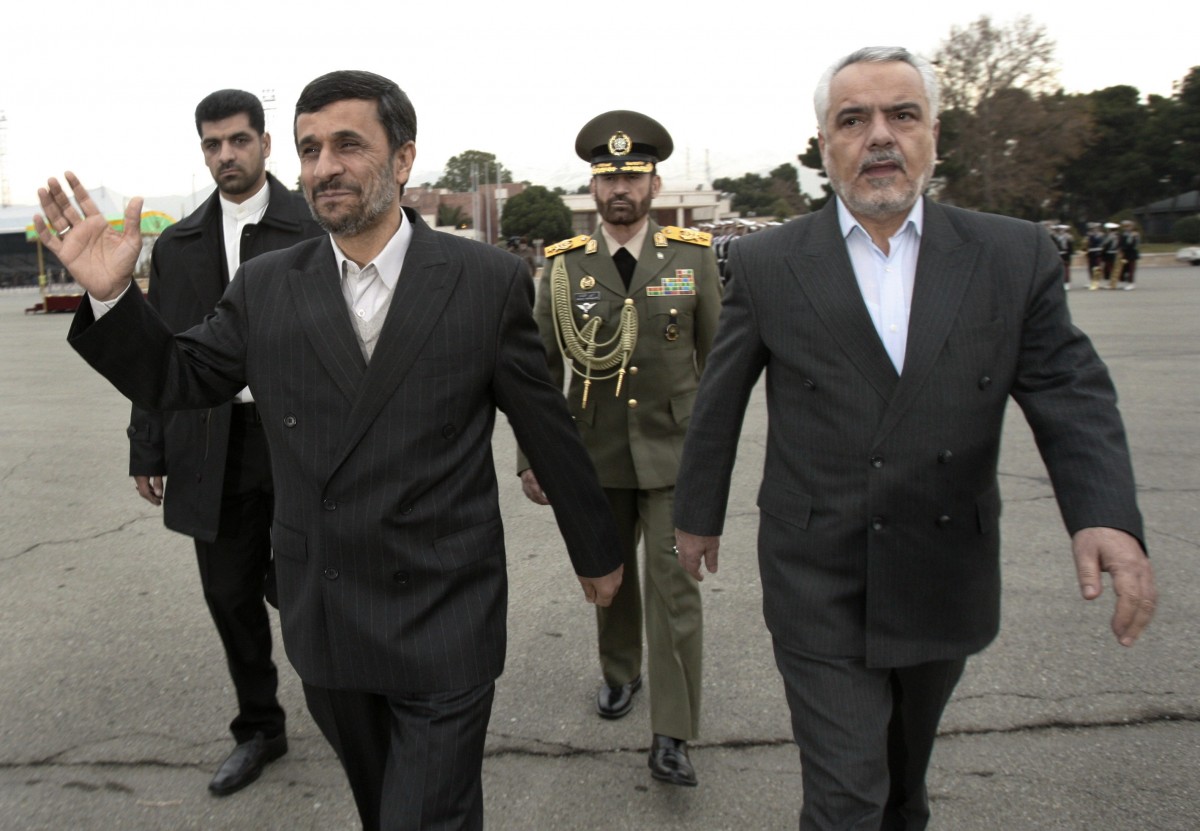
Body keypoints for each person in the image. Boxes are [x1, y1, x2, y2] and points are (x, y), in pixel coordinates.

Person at [35, 69, 623, 831]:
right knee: (385, 808)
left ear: (404, 160)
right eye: (310, 149)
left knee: (429, 815)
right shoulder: (268, 285)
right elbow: (180, 377)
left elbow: (547, 426)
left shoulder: (486, 280)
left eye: (348, 145)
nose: (322, 168)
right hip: (328, 608)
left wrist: (596, 549)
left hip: (447, 605)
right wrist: (113, 300)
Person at [672, 46, 1156, 830]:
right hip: (816, 569)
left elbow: (1069, 387)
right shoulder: (768, 262)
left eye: (902, 114)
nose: (880, 137)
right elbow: (719, 400)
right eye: (853, 120)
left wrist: (1104, 512)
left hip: (942, 564)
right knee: (846, 795)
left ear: (934, 132)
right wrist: (697, 512)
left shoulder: (1011, 253)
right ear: (824, 144)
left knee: (901, 783)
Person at [127, 89, 323, 797]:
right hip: (214, 444)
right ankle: (260, 727)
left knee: (321, 584)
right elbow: (161, 352)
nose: (225, 156)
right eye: (212, 144)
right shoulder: (178, 245)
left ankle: (356, 708)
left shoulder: (312, 226)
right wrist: (147, 446)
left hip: (305, 442)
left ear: (267, 144)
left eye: (239, 140)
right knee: (229, 594)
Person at [518, 110, 721, 787]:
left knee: (675, 592)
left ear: (655, 181)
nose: (621, 188)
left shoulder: (691, 259)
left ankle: (673, 732)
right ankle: (619, 672)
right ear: (593, 189)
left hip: (674, 455)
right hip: (594, 454)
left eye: (633, 174)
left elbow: (715, 366)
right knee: (612, 581)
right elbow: (540, 372)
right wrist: (531, 457)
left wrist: (714, 466)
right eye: (608, 176)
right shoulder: (564, 269)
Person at [1118, 219, 1141, 290]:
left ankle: (1131, 283)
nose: (1126, 228)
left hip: (1132, 254)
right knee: (1125, 269)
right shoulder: (1123, 234)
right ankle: (1126, 282)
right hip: (1125, 254)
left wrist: (1125, 246)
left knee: (1131, 269)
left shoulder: (1135, 234)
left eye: (1128, 226)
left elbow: (1133, 245)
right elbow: (1120, 243)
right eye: (1125, 226)